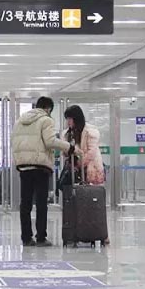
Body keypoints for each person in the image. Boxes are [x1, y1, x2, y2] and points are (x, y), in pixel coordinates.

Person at [12, 97, 79, 247]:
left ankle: (26, 238)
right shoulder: (46, 120)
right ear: (48, 109)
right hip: (40, 166)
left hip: (24, 166)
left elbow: (14, 143)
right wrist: (70, 147)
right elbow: (50, 142)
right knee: (41, 203)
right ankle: (41, 237)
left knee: (25, 203)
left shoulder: (19, 122)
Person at [63, 105, 109, 244]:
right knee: (78, 202)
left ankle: (100, 233)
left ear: (76, 118)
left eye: (70, 118)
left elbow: (91, 152)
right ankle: (79, 231)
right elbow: (66, 150)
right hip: (75, 171)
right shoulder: (68, 133)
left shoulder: (90, 131)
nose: (68, 122)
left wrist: (79, 163)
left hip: (90, 169)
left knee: (94, 203)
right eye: (67, 119)